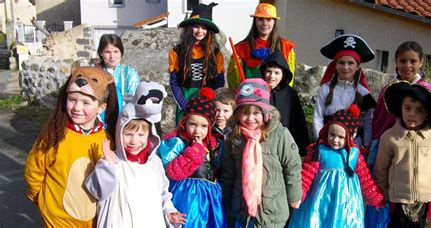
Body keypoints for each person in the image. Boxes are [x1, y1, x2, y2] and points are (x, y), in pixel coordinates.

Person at [24, 67, 119, 227]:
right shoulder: (54, 134)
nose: (77, 108)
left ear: (101, 108)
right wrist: (43, 202)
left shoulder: (105, 140)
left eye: (86, 102)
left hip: (92, 222)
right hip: (57, 220)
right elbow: (34, 171)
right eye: (72, 99)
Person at [85, 81, 186, 227]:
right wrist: (107, 166)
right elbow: (98, 191)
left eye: (140, 135)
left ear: (149, 136)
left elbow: (163, 194)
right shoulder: (114, 161)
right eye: (128, 134)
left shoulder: (154, 164)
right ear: (119, 132)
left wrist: (169, 211)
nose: (134, 141)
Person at [365, 41, 431, 228]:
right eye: (403, 61)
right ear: (396, 62)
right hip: (388, 146)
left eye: (412, 61)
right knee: (383, 188)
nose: (407, 65)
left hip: (414, 151)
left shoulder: (427, 92)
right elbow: (379, 121)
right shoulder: (388, 89)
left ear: (421, 62)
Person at [374, 80, 431, 227]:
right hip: (398, 198)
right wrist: (385, 191)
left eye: (419, 110)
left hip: (424, 200)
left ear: (427, 114)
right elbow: (381, 168)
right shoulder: (390, 137)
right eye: (408, 108)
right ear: (400, 108)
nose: (412, 114)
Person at [220, 78, 302, 227]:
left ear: (265, 113)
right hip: (242, 208)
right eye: (245, 113)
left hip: (272, 209)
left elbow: (292, 167)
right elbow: (228, 173)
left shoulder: (279, 134)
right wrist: (226, 201)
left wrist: (294, 197)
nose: (250, 118)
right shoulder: (233, 137)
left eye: (256, 112)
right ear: (237, 114)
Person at [289, 104, 384, 227]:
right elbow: (307, 174)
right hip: (320, 201)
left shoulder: (354, 154)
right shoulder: (319, 150)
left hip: (346, 204)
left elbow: (365, 179)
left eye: (341, 137)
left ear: (350, 137)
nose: (335, 140)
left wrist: (375, 198)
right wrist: (299, 194)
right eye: (332, 134)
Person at [157, 88, 227, 227]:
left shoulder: (214, 144)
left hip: (212, 200)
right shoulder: (176, 143)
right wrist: (194, 150)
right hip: (187, 198)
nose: (197, 131)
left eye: (203, 126)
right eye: (192, 124)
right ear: (184, 123)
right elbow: (172, 172)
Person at [313, 34, 377, 149]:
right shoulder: (325, 89)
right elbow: (318, 117)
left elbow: (368, 123)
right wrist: (321, 141)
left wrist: (366, 145)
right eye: (341, 63)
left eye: (350, 63)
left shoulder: (364, 93)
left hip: (354, 146)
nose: (345, 67)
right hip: (329, 144)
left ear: (358, 67)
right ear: (335, 65)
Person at [169, 2, 225, 124]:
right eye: (196, 26)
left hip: (207, 101)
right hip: (184, 99)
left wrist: (210, 101)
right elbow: (174, 81)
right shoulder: (176, 52)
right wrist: (184, 105)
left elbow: (219, 81)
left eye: (204, 28)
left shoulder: (215, 53)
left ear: (208, 31)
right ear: (189, 28)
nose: (200, 31)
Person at [227, 3, 296, 90]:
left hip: (277, 99)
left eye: (269, 19)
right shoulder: (241, 49)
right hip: (252, 98)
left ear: (274, 21)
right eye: (260, 19)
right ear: (255, 21)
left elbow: (289, 80)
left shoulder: (286, 46)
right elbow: (235, 83)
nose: (264, 23)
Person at [261, 50, 310, 156]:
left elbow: (299, 121)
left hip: (285, 143)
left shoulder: (290, 94)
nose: (271, 76)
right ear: (263, 72)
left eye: (277, 73)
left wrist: (302, 147)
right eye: (268, 71)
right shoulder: (258, 91)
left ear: (283, 75)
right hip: (263, 144)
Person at [96, 34, 140, 112]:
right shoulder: (94, 72)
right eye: (107, 52)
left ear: (121, 52)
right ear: (101, 53)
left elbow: (134, 99)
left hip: (124, 117)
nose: (112, 56)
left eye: (116, 51)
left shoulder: (130, 72)